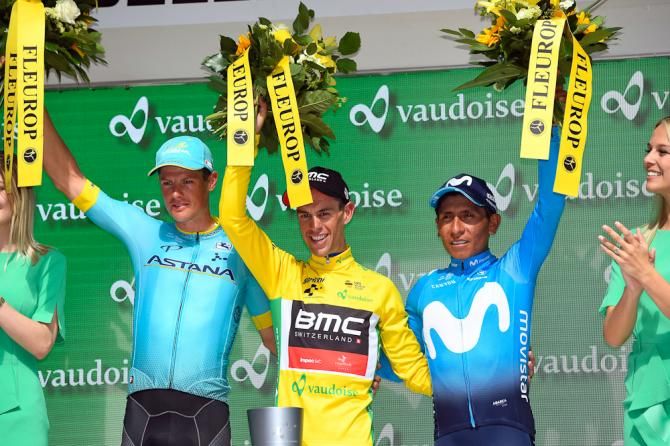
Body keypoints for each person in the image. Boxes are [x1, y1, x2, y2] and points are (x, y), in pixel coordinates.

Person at [43, 113, 275, 446]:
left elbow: (275, 341)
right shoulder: (145, 233)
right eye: (167, 183)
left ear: (211, 181)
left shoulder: (242, 250)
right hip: (142, 415)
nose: (175, 193)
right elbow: (70, 181)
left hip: (206, 418)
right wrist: (32, 102)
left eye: (187, 181)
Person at [219, 105, 431, 446]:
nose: (314, 226)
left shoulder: (379, 290)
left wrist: (493, 383)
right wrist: (248, 137)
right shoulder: (282, 273)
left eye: (324, 213)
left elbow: (416, 373)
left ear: (347, 212)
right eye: (304, 215)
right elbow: (232, 217)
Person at [383, 128, 565, 446]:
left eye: (468, 216)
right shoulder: (425, 288)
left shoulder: (515, 270)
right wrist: (363, 361)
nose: (456, 228)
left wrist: (551, 131)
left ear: (492, 223)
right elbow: (397, 365)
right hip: (448, 435)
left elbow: (549, 205)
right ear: (437, 227)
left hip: (507, 430)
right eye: (446, 217)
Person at [599, 116, 670, 446]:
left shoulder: (640, 259)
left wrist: (646, 274)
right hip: (645, 399)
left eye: (662, 151)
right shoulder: (638, 242)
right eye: (649, 149)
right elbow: (614, 336)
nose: (648, 159)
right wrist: (633, 288)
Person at [0, 156, 66, 446]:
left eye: (0, 187)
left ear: (21, 194)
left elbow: (41, 344)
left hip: (19, 416)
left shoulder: (47, 262)